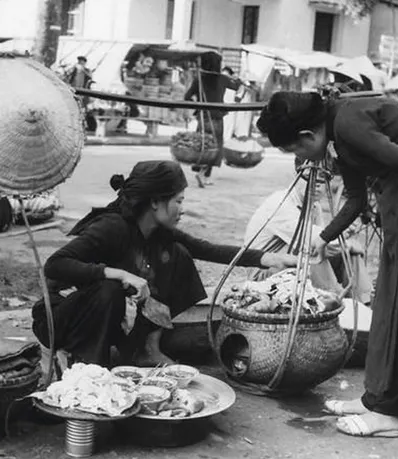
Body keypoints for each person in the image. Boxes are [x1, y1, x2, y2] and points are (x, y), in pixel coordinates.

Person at [257, 91, 398, 438]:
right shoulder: (339, 135)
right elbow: (356, 197)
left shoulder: (348, 122)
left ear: (307, 136)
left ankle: (392, 413)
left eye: (295, 151)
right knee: (388, 305)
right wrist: (324, 237)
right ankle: (376, 399)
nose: (299, 158)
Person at [31, 160, 296, 368]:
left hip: (109, 316)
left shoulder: (157, 232)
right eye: (178, 201)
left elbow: (206, 249)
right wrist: (118, 274)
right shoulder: (111, 227)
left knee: (178, 254)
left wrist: (267, 258)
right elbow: (55, 265)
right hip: (62, 320)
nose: (182, 209)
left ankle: (147, 348)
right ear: (155, 202)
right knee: (109, 287)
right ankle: (89, 365)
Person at [244, 162, 372, 304]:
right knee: (312, 251)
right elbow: (314, 241)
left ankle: (364, 303)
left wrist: (344, 239)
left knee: (347, 254)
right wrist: (348, 243)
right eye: (309, 178)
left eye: (322, 181)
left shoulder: (314, 206)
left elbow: (325, 243)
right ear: (296, 177)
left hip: (294, 264)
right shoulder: (281, 203)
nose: (316, 185)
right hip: (264, 273)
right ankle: (330, 302)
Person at [185, 54, 241, 188]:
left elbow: (187, 97)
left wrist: (197, 105)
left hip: (203, 116)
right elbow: (236, 86)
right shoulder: (222, 78)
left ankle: (203, 174)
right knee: (215, 147)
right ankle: (204, 174)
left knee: (204, 145)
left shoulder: (199, 78)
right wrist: (237, 79)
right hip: (216, 116)